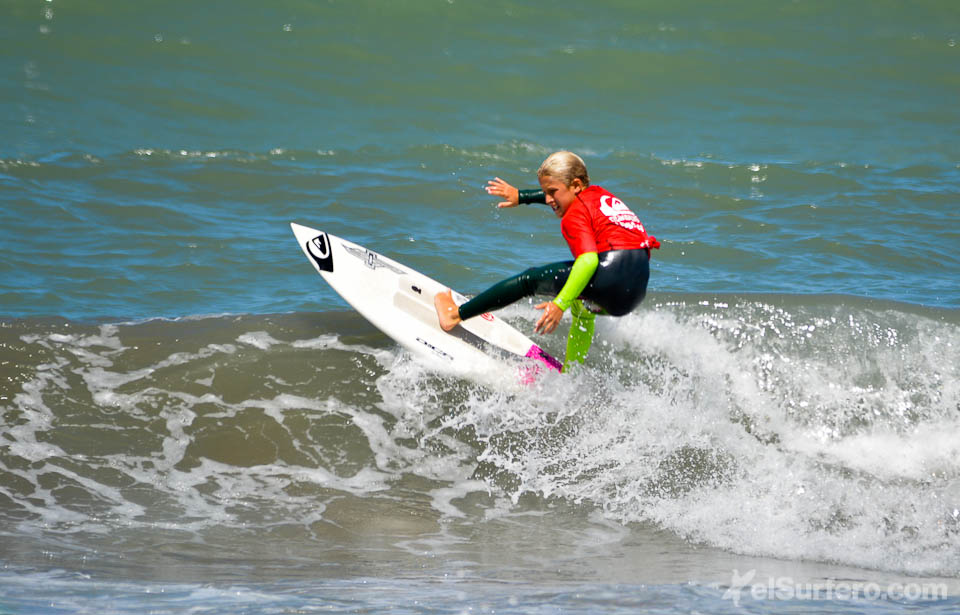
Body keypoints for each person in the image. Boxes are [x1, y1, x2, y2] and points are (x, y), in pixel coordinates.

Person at [434, 151, 659, 369]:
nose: (549, 199)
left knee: (529, 280)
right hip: (633, 292)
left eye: (552, 192)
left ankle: (454, 315)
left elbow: (589, 260)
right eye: (545, 192)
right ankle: (571, 372)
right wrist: (523, 196)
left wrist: (559, 304)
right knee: (582, 306)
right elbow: (561, 193)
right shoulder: (599, 196)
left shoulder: (574, 215)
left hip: (609, 276)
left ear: (577, 185)